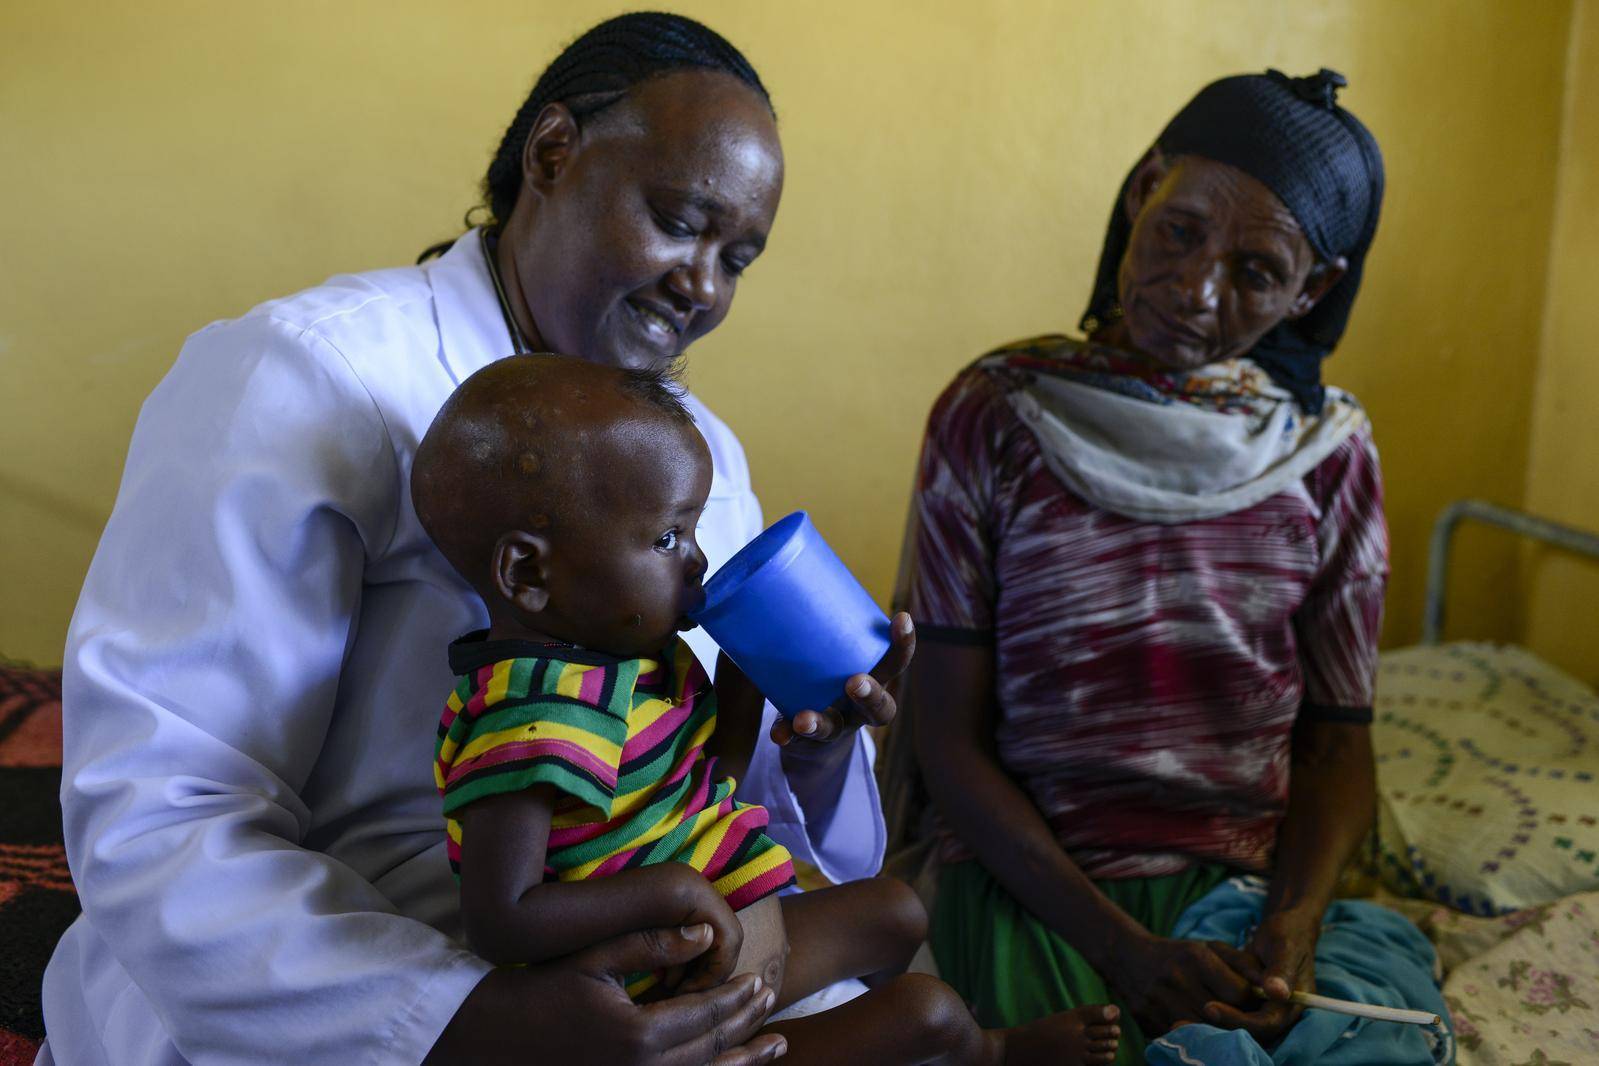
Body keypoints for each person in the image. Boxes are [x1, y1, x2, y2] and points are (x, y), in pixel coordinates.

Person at [42, 14, 911, 1066]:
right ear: (553, 152)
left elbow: (713, 799)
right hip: (336, 1000)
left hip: (648, 973)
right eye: (681, 221)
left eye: (739, 258)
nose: (704, 286)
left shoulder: (700, 458)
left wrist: (810, 747)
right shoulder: (310, 377)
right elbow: (162, 811)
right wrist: (465, 1020)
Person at [902, 71, 1451, 1064]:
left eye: (1255, 270)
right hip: (1039, 883)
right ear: (1142, 189)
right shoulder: (997, 415)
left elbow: (1336, 743)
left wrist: (1290, 930)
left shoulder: (1327, 454)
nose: (1197, 291)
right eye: (1181, 230)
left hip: (1243, 896)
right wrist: (1126, 951)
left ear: (1313, 289)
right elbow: (944, 735)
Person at [416, 353, 1124, 1066]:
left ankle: (956, 1041)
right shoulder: (530, 719)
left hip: (734, 931)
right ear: (528, 574)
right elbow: (500, 922)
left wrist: (743, 686)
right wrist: (670, 890)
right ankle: (982, 1052)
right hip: (666, 995)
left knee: (897, 910)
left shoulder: (630, 660)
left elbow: (701, 790)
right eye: (667, 539)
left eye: (691, 532)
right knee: (926, 1012)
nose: (695, 562)